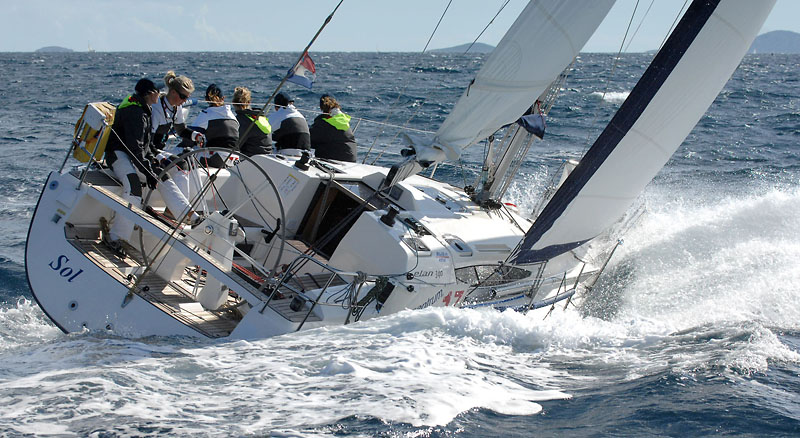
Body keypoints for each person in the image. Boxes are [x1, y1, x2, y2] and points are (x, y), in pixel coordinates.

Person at [104, 78, 201, 257]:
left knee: (161, 175)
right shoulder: (136, 113)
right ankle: (115, 237)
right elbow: (135, 149)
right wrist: (148, 170)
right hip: (117, 154)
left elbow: (145, 147)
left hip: (132, 154)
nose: (161, 93)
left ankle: (190, 216)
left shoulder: (144, 110)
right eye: (158, 91)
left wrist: (152, 167)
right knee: (133, 188)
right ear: (150, 94)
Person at [187, 84, 240, 167]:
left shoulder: (206, 114)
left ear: (206, 99)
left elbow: (189, 134)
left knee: (188, 152)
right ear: (223, 98)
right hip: (235, 159)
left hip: (217, 158)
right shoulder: (232, 116)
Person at [151, 71, 195, 150]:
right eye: (183, 97)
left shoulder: (177, 107)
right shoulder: (156, 107)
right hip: (150, 150)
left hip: (160, 148)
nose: (185, 101)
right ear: (173, 92)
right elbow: (148, 140)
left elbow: (181, 130)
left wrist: (196, 135)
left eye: (187, 98)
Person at [310, 94, 358, 162]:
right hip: (350, 158)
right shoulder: (343, 119)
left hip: (334, 158)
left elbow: (310, 139)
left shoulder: (324, 122)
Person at [232, 86, 273, 156]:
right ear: (249, 102)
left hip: (252, 157)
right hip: (268, 155)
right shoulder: (260, 116)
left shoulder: (241, 120)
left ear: (233, 103)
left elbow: (237, 145)